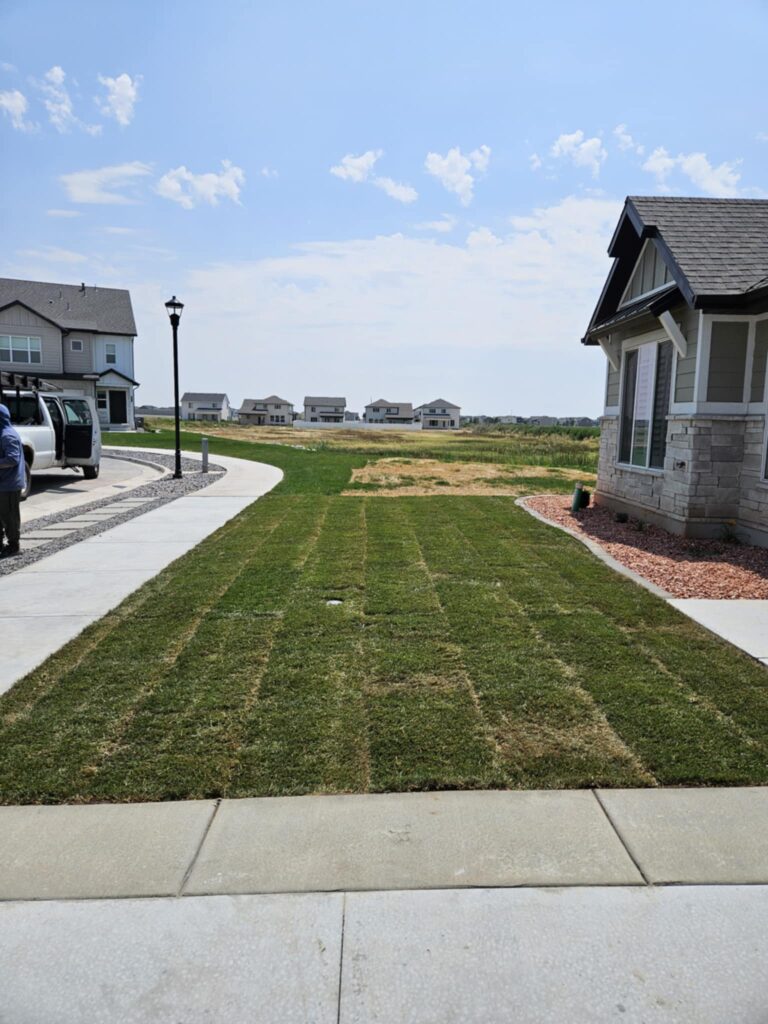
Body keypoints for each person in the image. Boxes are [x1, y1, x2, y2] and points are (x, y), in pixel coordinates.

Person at [0, 403, 25, 558]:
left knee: (9, 517)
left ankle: (13, 546)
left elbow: (12, 459)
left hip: (8, 485)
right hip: (2, 484)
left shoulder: (7, 435)